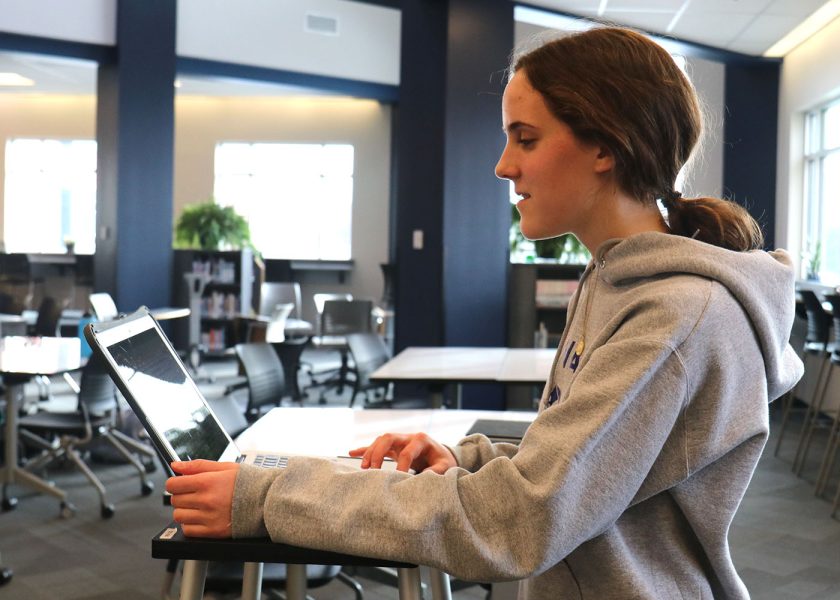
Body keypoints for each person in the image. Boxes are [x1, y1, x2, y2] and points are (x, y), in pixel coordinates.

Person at [166, 26, 802, 599]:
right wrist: (467, 461)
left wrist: (269, 495)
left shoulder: (674, 317)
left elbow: (521, 520)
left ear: (606, 146)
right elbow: (581, 468)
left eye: (525, 138)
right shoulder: (615, 279)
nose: (504, 166)